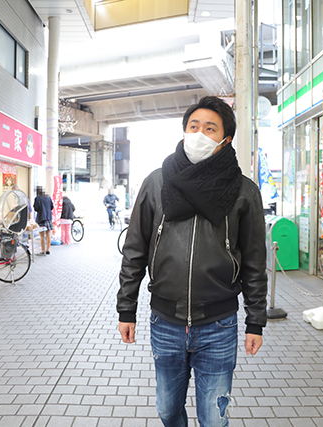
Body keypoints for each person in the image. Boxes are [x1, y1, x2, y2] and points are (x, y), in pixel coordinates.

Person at [117, 96, 268, 427]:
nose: (199, 134)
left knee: (214, 419)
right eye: (193, 126)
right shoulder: (157, 182)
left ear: (225, 140)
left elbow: (255, 262)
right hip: (165, 321)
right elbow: (135, 249)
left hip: (219, 324)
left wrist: (255, 321)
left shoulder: (243, 192)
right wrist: (126, 309)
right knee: (168, 410)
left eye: (210, 128)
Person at [33, 186, 53, 254]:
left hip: (41, 218)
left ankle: (43, 250)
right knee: (48, 235)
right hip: (48, 218)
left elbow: (36, 208)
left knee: (42, 236)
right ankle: (47, 249)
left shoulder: (37, 198)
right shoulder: (48, 197)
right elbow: (52, 207)